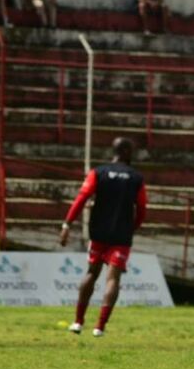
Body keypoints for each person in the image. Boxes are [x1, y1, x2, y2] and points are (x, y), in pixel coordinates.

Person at [60, 137, 148, 338]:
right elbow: (142, 208)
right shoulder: (136, 178)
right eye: (131, 150)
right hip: (121, 235)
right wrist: (132, 227)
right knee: (113, 279)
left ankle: (78, 322)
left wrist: (67, 224)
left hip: (98, 231)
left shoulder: (98, 173)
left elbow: (82, 197)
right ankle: (99, 327)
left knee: (91, 272)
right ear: (125, 151)